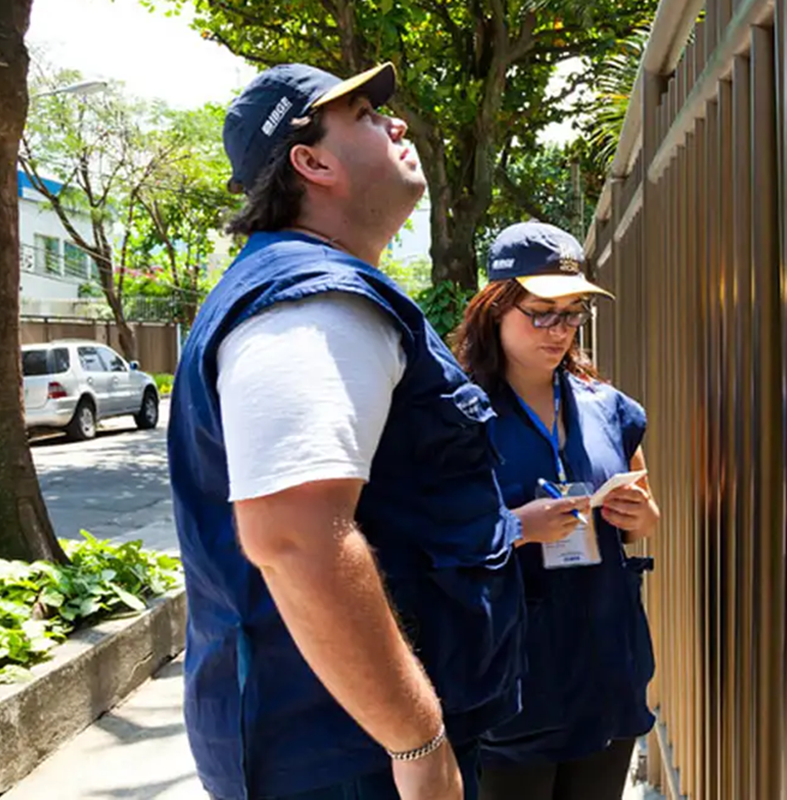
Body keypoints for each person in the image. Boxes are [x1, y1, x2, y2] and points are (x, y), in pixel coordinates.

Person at [167, 63, 538, 800]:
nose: (396, 124)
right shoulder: (310, 301)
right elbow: (293, 535)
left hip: (339, 746)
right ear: (311, 162)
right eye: (366, 114)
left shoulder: (311, 288)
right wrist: (418, 744)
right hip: (348, 761)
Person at [451, 222, 661, 800]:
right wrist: (519, 527)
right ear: (495, 308)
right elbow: (428, 539)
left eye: (572, 314)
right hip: (511, 681)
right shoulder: (458, 416)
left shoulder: (606, 406)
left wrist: (638, 516)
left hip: (605, 671)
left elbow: (649, 518)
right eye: (541, 312)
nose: (559, 330)